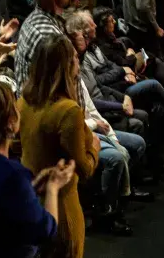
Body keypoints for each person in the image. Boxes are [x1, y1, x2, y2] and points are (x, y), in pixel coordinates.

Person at [0, 81, 76, 258]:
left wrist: (31, 185)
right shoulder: (11, 175)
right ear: (11, 122)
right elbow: (45, 230)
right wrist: (53, 187)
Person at [14, 32, 102, 257]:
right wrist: (94, 146)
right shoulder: (68, 111)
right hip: (63, 209)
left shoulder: (23, 102)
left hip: (31, 203)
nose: (78, 61)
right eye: (74, 57)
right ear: (66, 65)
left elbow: (18, 145)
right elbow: (83, 168)